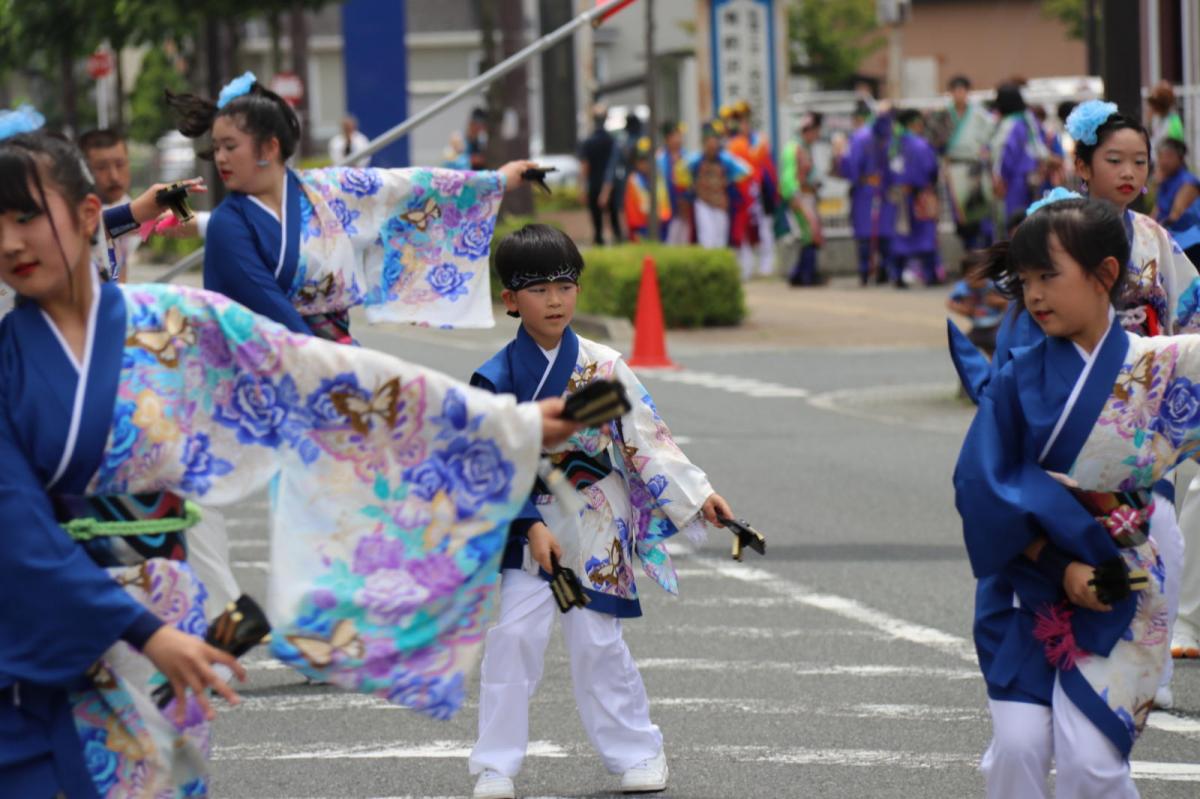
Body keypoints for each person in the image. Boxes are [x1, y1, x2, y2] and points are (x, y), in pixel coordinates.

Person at [0, 128, 580, 798]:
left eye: (26, 215)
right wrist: (143, 630)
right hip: (45, 636)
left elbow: (317, 370)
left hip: (162, 624)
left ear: (86, 216)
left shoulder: (177, 325)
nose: (11, 240)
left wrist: (499, 421)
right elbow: (18, 527)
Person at [467, 224, 733, 799]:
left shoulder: (604, 366)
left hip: (593, 517)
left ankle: (638, 751)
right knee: (513, 637)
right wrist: (530, 527)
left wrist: (696, 495)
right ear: (509, 300)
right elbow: (495, 464)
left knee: (596, 639)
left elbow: (646, 440)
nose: (556, 298)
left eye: (566, 284)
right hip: (529, 518)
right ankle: (495, 764)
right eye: (538, 288)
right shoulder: (497, 376)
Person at [955, 194, 1199, 798]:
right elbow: (980, 487)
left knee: (1092, 761)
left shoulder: (1165, 365)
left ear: (1106, 275)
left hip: (1129, 578)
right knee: (1016, 749)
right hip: (1029, 581)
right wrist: (1059, 568)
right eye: (1027, 279)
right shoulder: (1015, 378)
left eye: (1049, 276)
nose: (1034, 294)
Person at [167, 72, 535, 343]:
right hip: (268, 366)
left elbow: (405, 185)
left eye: (230, 146)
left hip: (332, 352)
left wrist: (496, 180)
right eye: (216, 147)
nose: (220, 158)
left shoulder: (327, 189)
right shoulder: (228, 224)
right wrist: (343, 367)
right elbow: (271, 311)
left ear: (268, 148)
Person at [839, 103, 899, 286]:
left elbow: (850, 167)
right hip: (883, 190)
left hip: (866, 190)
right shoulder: (892, 137)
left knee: (868, 234)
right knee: (883, 234)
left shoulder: (859, 137)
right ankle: (883, 272)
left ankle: (866, 273)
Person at [940, 75, 996, 252]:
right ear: (950, 93)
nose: (959, 94)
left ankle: (982, 251)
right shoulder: (943, 115)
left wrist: (985, 150)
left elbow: (991, 134)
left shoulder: (979, 113)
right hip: (953, 166)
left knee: (978, 209)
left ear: (967, 92)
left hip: (974, 166)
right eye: (955, 90)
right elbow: (935, 141)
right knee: (960, 214)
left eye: (962, 90)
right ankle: (968, 250)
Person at [726, 100, 779, 279]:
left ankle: (766, 266)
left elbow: (766, 166)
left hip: (760, 193)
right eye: (739, 121)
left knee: (764, 228)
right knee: (743, 231)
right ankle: (746, 267)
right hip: (740, 194)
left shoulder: (759, 140)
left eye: (745, 120)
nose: (743, 124)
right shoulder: (733, 144)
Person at [891, 109, 941, 287]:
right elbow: (931, 169)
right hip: (920, 195)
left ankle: (897, 275)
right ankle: (930, 275)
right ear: (914, 124)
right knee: (925, 234)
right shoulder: (920, 145)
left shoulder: (894, 144)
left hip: (897, 196)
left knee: (901, 235)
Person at [684, 120, 751, 250]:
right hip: (703, 203)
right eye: (708, 140)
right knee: (706, 238)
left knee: (720, 239)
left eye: (714, 140)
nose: (712, 144)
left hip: (721, 204)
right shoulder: (695, 160)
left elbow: (746, 171)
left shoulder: (726, 159)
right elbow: (681, 172)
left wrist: (729, 180)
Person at [991, 82, 1047, 232]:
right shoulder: (1029, 121)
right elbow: (1040, 151)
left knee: (1013, 225)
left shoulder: (1008, 125)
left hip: (1013, 182)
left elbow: (1005, 155)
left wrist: (999, 177)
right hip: (1032, 180)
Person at [779, 112, 824, 286]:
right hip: (800, 197)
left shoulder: (806, 147)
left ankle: (801, 274)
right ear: (809, 131)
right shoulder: (793, 148)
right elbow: (788, 176)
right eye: (816, 131)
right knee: (809, 233)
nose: (818, 136)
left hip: (808, 196)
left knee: (811, 234)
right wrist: (793, 195)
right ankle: (804, 275)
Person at [946, 254, 1007, 357]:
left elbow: (1009, 301)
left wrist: (998, 302)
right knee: (962, 348)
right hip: (977, 328)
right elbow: (950, 302)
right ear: (964, 277)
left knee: (995, 352)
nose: (975, 279)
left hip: (995, 327)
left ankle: (996, 369)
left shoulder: (993, 286)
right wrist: (963, 309)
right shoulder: (964, 289)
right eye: (970, 275)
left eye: (980, 275)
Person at [1153, 137, 1200, 266]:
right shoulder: (1165, 181)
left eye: (1169, 156)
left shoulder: (1188, 183)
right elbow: (1156, 212)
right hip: (1169, 236)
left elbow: (1175, 216)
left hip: (1188, 241)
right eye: (1161, 156)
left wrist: (1153, 231)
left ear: (1180, 158)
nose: (1164, 161)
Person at [578, 104, 619, 246]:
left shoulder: (588, 142)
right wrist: (607, 190)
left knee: (597, 225)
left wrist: (583, 188)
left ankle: (600, 244)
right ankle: (618, 245)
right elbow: (612, 167)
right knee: (614, 222)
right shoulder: (612, 141)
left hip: (593, 185)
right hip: (611, 186)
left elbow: (584, 167)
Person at [622, 137, 668, 242]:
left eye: (648, 160)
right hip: (641, 228)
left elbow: (664, 202)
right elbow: (631, 208)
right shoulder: (633, 181)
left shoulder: (659, 179)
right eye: (642, 161)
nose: (645, 164)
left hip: (660, 226)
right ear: (636, 163)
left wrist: (661, 218)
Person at [657, 120, 692, 245]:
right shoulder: (659, 158)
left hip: (684, 206)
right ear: (667, 139)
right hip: (667, 206)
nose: (677, 139)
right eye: (674, 136)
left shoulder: (687, 157)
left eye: (679, 136)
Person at [1147, 81, 1186, 160]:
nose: (1151, 108)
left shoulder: (1174, 123)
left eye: (1154, 104)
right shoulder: (1156, 119)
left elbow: (1175, 150)